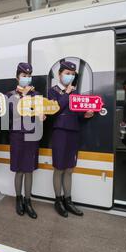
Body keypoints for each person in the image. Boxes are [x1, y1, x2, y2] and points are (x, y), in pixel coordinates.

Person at [48, 60, 94, 218]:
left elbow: (78, 113)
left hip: (74, 132)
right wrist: (67, 93)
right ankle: (58, 200)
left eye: (72, 74)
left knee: (69, 169)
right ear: (60, 74)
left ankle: (68, 200)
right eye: (67, 73)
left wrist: (86, 115)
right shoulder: (52, 91)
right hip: (60, 132)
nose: (70, 76)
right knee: (59, 168)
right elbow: (54, 110)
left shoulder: (76, 93)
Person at [6, 63, 45, 219]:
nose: (26, 78)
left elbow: (41, 113)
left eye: (29, 76)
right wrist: (23, 96)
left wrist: (42, 116)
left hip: (32, 135)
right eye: (23, 76)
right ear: (17, 77)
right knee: (19, 170)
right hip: (16, 136)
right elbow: (13, 113)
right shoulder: (9, 95)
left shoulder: (37, 95)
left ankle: (28, 201)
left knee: (29, 169)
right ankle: (18, 199)